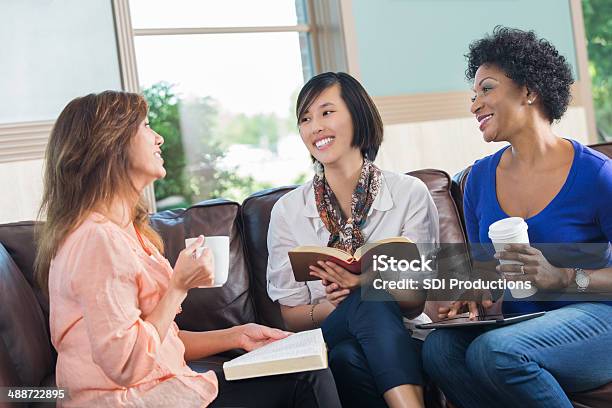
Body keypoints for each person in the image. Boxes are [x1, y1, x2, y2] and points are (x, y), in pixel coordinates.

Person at [35, 91, 341, 407]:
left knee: (309, 371)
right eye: (145, 127)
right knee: (307, 378)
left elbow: (157, 341)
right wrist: (178, 287)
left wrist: (237, 335)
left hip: (163, 387)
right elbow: (126, 364)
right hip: (128, 400)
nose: (158, 139)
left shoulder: (127, 232)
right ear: (112, 146)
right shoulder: (96, 242)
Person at [422, 27, 612, 408]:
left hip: (598, 323)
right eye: (473, 95)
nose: (474, 104)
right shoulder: (477, 180)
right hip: (519, 326)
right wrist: (473, 296)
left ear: (529, 91)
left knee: (494, 352)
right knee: (440, 349)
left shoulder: (596, 175)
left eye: (487, 89)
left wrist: (562, 278)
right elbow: (488, 275)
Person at [266, 72, 440, 408]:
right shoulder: (288, 211)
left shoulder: (409, 194)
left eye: (327, 112)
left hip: (404, 336)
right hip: (330, 330)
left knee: (348, 356)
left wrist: (365, 281)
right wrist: (333, 303)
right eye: (305, 118)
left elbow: (416, 302)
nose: (315, 126)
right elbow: (291, 315)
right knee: (358, 307)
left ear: (358, 116)